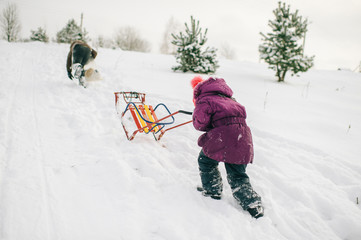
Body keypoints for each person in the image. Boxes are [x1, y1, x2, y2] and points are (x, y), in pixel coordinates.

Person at [191, 76, 264, 219]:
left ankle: (213, 190)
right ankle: (252, 203)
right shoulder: (232, 100)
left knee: (206, 161)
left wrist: (198, 116)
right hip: (243, 138)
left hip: (222, 137)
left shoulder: (205, 99)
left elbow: (200, 124)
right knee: (237, 173)